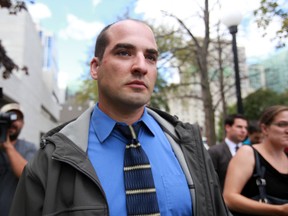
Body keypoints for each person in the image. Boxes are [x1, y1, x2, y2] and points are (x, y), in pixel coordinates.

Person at [10, 19, 231, 216]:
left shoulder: (188, 147)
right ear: (96, 68)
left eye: (151, 57)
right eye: (124, 52)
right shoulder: (51, 158)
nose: (141, 66)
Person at [223, 105, 288, 215]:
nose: (287, 130)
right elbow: (229, 198)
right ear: (264, 128)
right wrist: (278, 210)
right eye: (282, 124)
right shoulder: (248, 153)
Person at [0, 103, 37, 216]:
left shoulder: (29, 148)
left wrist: (7, 146)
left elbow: (27, 175)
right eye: (9, 117)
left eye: (17, 118)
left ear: (23, 124)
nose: (13, 122)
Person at [208, 114, 248, 191]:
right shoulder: (214, 152)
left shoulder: (250, 150)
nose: (244, 131)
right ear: (228, 127)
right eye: (239, 127)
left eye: (245, 128)